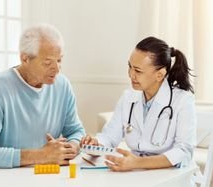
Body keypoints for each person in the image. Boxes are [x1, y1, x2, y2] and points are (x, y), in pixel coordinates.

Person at [0, 24, 85, 169]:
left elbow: (76, 131)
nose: (56, 68)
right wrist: (40, 156)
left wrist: (72, 147)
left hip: (47, 178)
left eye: (59, 60)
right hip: (4, 181)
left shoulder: (63, 85)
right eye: (47, 62)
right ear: (25, 59)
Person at [81, 36, 196, 172]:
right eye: (130, 67)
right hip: (136, 173)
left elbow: (184, 151)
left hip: (169, 177)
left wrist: (138, 162)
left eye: (138, 71)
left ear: (160, 75)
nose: (131, 74)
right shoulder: (128, 97)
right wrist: (95, 144)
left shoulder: (182, 101)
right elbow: (110, 136)